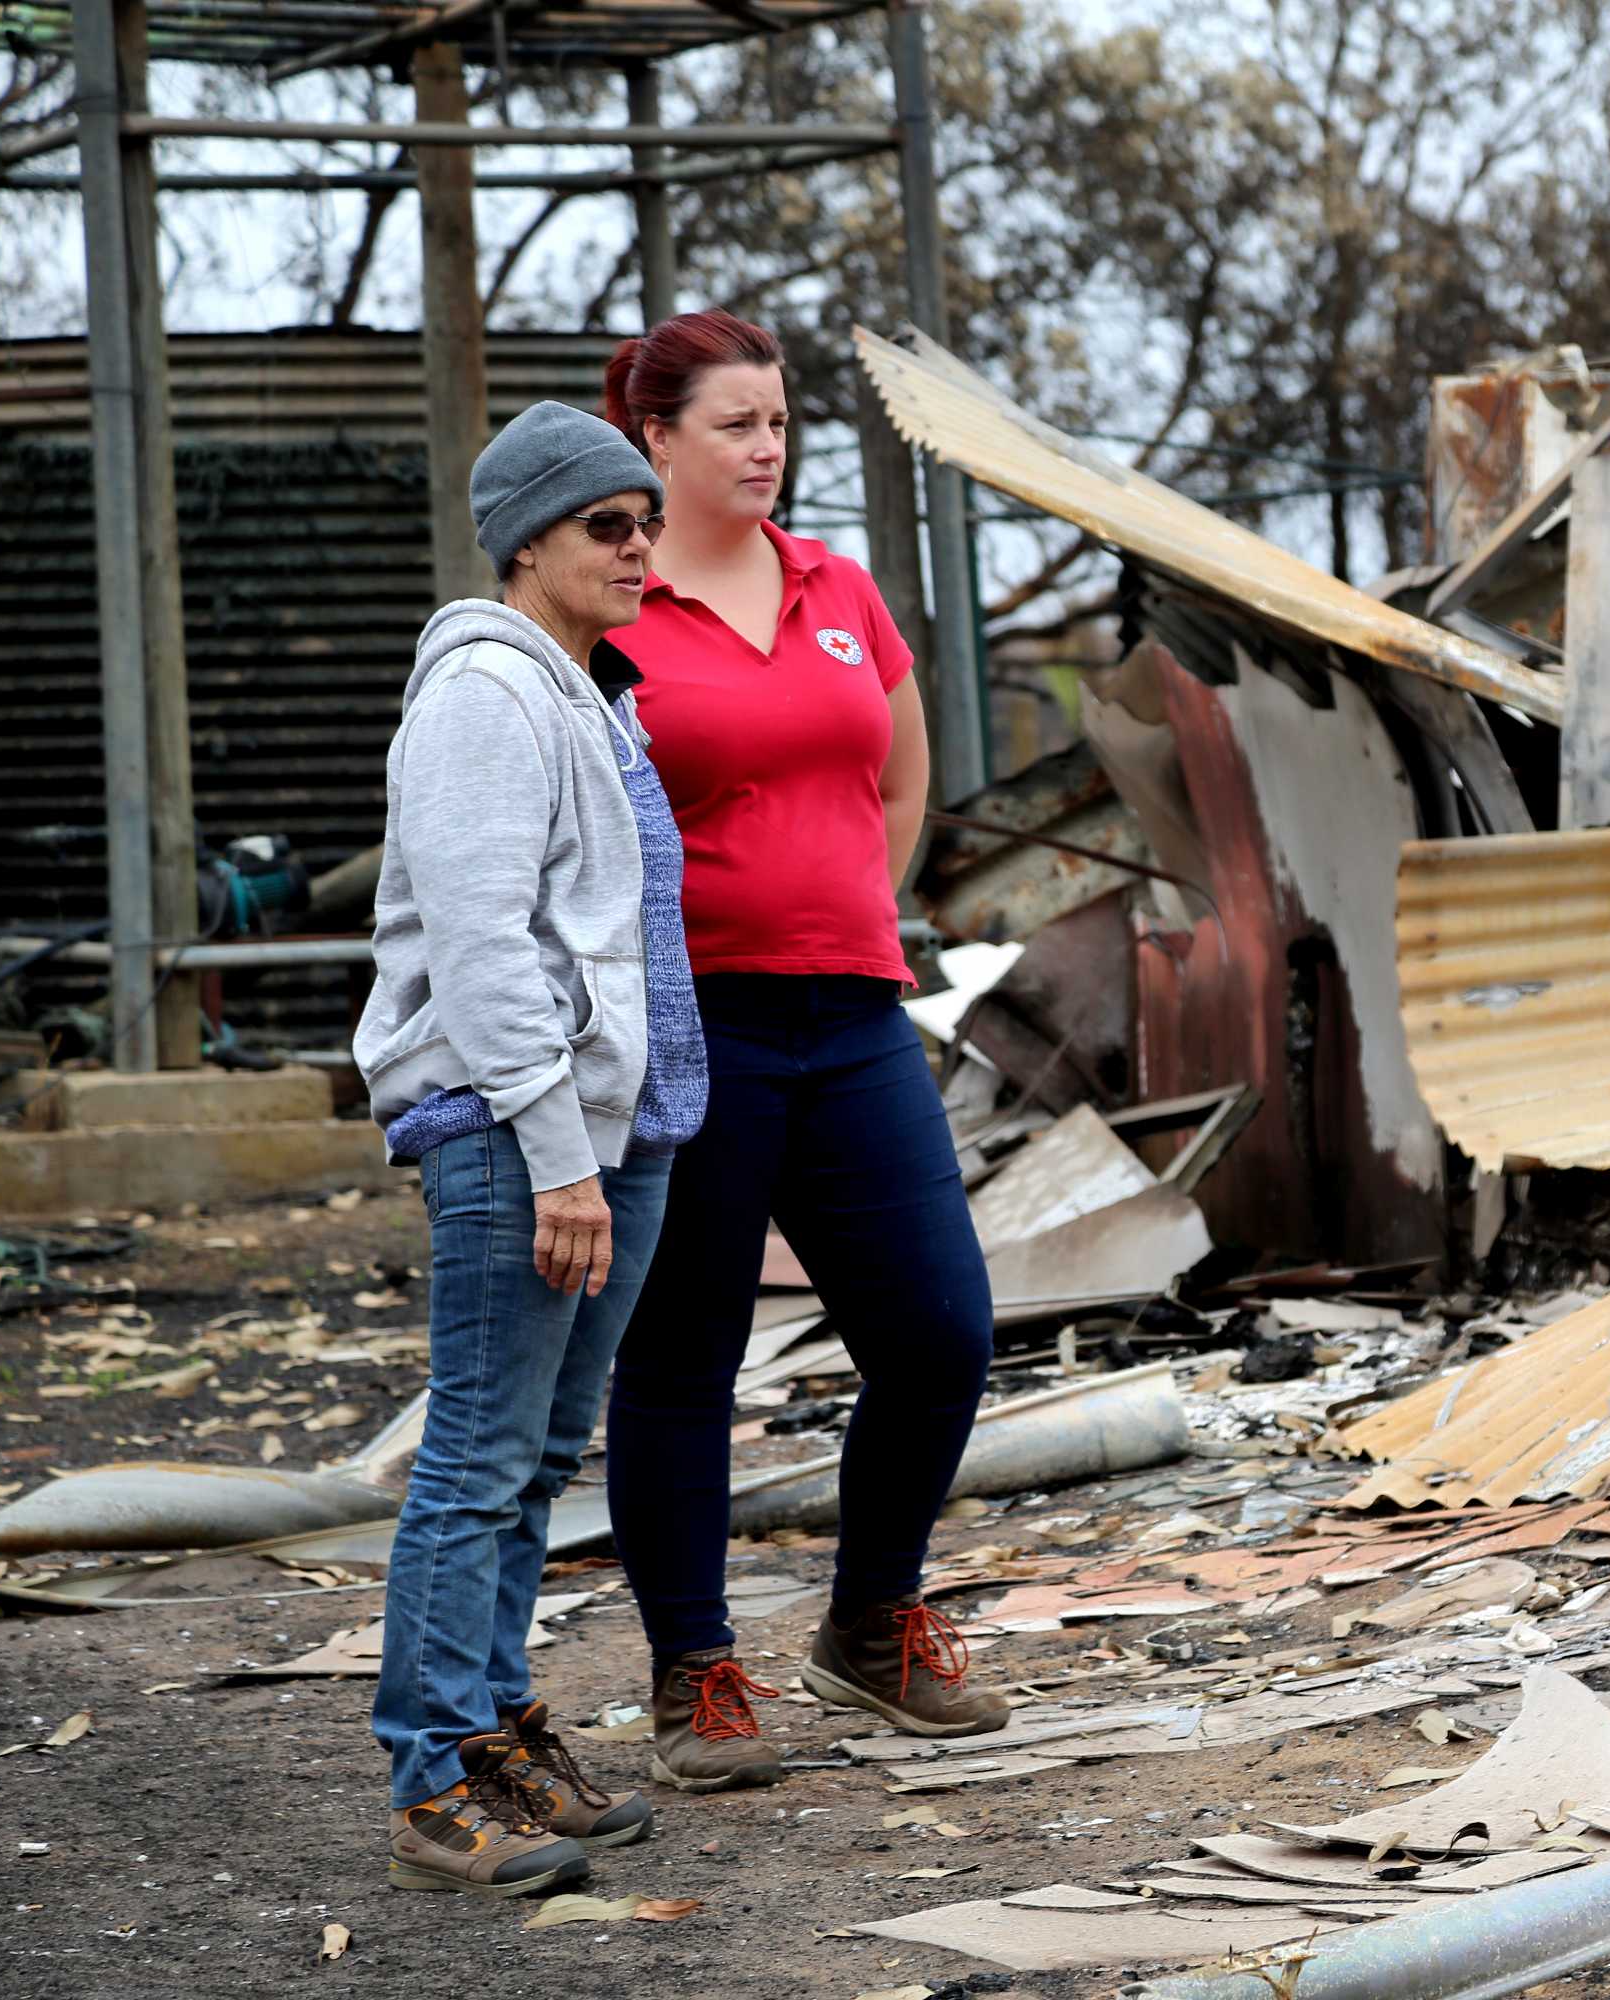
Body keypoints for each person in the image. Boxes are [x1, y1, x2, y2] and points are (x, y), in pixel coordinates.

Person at [596, 310, 1006, 1797]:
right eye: (737, 426)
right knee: (685, 1357)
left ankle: (871, 1620)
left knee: (941, 1331)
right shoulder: (610, 608)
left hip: (850, 1014)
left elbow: (899, 774)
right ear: (655, 438)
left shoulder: (840, 584)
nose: (768, 450)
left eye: (780, 424)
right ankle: (693, 1669)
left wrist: (847, 900)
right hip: (690, 1028)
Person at [354, 400, 709, 1893]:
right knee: (481, 1456)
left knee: (543, 1453)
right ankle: (434, 1783)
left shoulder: (583, 690)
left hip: (604, 1124)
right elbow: (487, 950)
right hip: (518, 1132)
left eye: (645, 520)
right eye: (602, 527)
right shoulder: (483, 699)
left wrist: (612, 1134)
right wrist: (561, 1155)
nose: (638, 546)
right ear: (526, 544)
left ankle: (499, 1733)